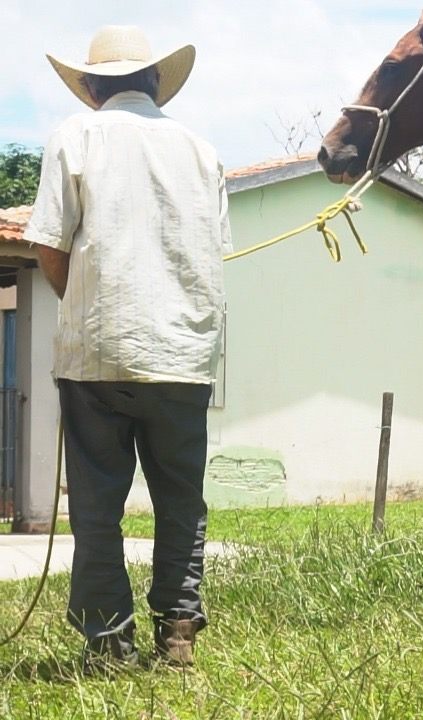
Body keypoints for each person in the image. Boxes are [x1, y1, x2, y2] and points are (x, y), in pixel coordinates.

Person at [23, 25, 231, 672]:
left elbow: (49, 244)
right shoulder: (202, 152)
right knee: (180, 501)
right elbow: (212, 251)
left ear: (90, 87)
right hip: (182, 357)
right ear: (156, 82)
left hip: (97, 355)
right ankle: (178, 631)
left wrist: (85, 302)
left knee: (96, 506)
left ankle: (110, 642)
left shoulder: (75, 137)